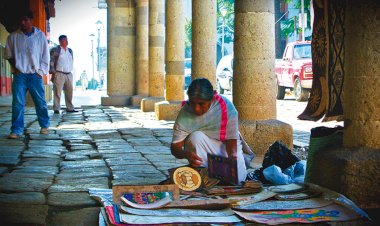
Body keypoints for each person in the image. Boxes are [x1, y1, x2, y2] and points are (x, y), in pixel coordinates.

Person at [170, 78, 252, 184]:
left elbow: (231, 143)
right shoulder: (185, 113)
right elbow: (175, 148)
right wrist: (186, 154)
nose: (196, 109)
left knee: (238, 180)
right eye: (192, 103)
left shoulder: (225, 106)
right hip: (204, 148)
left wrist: (232, 161)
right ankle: (203, 173)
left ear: (212, 98)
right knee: (195, 137)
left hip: (225, 147)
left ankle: (215, 175)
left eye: (201, 104)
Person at [5, 10, 50, 139]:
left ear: (31, 20)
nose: (23, 23)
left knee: (40, 102)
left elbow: (45, 56)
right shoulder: (13, 37)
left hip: (35, 75)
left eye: (26, 20)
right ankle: (16, 129)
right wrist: (15, 68)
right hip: (20, 75)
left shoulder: (40, 36)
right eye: (21, 20)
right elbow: (8, 55)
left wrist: (40, 72)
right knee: (17, 103)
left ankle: (44, 125)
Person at [49, 35, 78, 114]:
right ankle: (56, 108)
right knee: (57, 92)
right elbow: (51, 61)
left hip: (69, 74)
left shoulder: (70, 51)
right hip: (59, 73)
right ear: (60, 41)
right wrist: (52, 72)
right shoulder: (55, 50)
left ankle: (70, 107)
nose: (67, 41)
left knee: (69, 91)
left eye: (67, 40)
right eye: (65, 40)